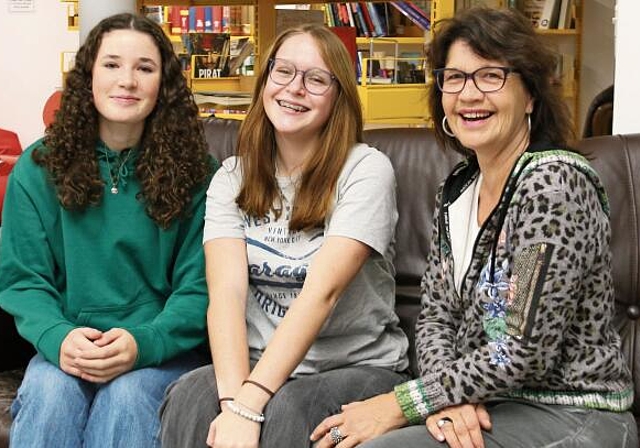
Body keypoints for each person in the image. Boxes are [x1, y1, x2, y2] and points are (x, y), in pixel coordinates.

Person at [310, 7, 637, 448]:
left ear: (531, 96)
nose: (469, 94)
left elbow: (522, 348)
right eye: (455, 78)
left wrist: (404, 404)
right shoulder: (459, 188)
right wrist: (447, 400)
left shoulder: (552, 186)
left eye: (490, 77)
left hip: (572, 412)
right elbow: (435, 317)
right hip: (490, 403)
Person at [159, 23, 409, 448]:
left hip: (355, 366)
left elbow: (321, 295)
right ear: (265, 80)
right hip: (257, 362)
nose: (295, 89)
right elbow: (227, 296)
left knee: (288, 408)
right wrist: (231, 400)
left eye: (316, 79)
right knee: (191, 396)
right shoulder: (231, 176)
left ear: (339, 97)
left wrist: (249, 403)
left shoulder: (366, 170)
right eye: (284, 72)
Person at [0, 13, 216, 447]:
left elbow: (202, 287)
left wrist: (145, 342)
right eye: (112, 64)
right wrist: (57, 338)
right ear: (88, 76)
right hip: (67, 342)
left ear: (164, 85)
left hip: (158, 348)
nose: (128, 81)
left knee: (128, 397)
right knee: (48, 393)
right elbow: (24, 279)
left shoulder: (198, 173)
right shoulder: (39, 167)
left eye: (145, 68)